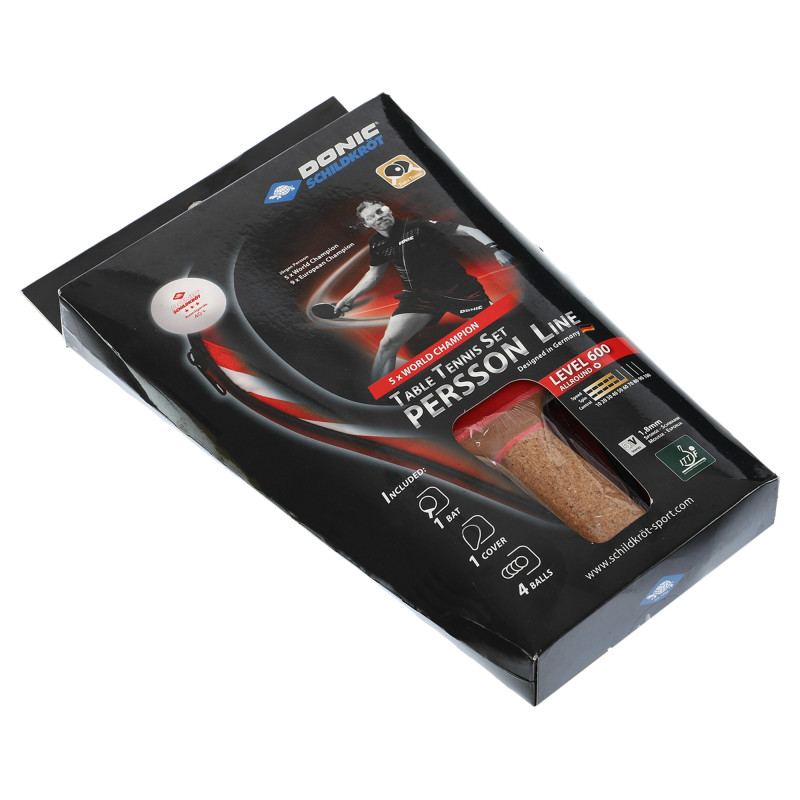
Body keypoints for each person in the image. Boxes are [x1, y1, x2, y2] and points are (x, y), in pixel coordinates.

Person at [335, 201, 514, 381]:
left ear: (388, 210)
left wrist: (496, 250)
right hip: (419, 296)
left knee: (498, 328)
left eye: (379, 211)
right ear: (367, 223)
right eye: (371, 216)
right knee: (388, 343)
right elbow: (374, 275)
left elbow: (468, 230)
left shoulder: (417, 226)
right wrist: (348, 298)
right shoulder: (377, 243)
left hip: (458, 289)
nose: (378, 217)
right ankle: (379, 393)